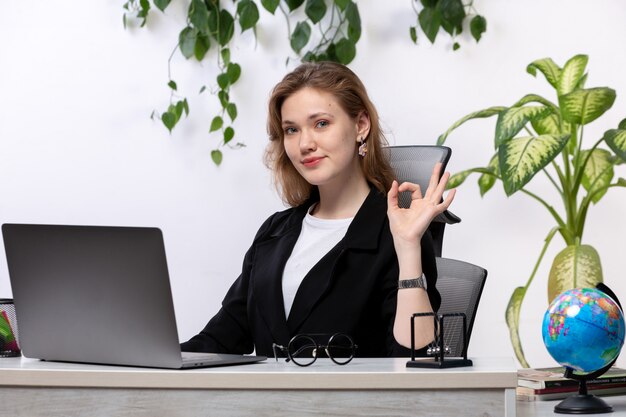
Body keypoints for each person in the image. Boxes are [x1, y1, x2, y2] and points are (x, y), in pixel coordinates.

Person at [181, 61, 455, 358]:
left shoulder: (396, 230)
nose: (305, 144)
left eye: (321, 123)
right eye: (291, 130)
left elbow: (415, 359)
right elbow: (221, 339)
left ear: (361, 125)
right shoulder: (275, 231)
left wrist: (407, 247)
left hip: (352, 404)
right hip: (266, 403)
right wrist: (148, 356)